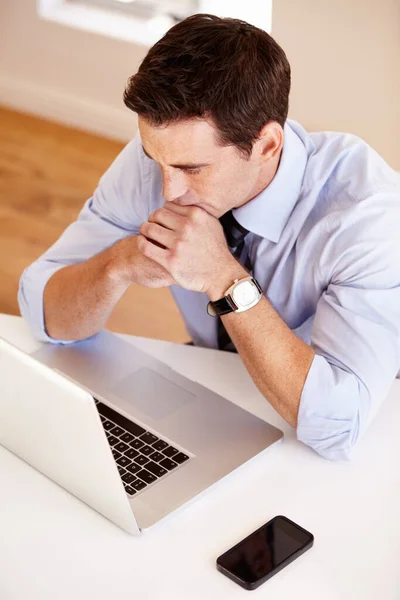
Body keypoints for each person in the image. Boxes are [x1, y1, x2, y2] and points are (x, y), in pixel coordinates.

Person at [18, 14, 400, 461]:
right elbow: (42, 313)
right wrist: (119, 261)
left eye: (192, 170)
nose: (167, 191)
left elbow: (337, 426)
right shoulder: (163, 158)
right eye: (154, 159)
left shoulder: (367, 215)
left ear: (267, 146)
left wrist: (224, 279)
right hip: (220, 380)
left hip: (356, 409)